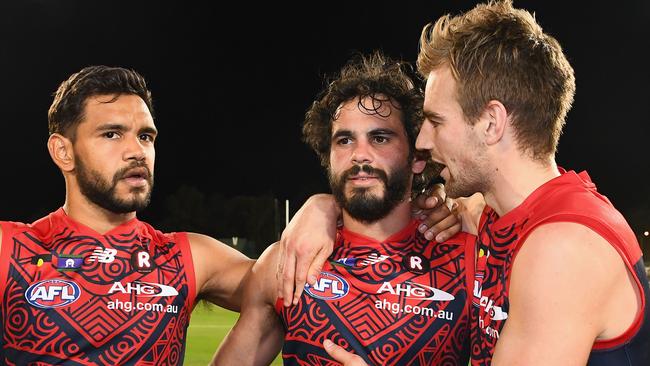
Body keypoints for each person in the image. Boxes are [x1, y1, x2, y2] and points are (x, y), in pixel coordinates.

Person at [0, 65, 460, 365]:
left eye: (145, 136)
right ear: (62, 150)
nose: (135, 151)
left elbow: (275, 283)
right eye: (111, 134)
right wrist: (320, 207)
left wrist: (326, 208)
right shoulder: (10, 248)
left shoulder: (186, 258)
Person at [292, 1, 650, 365]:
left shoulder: (563, 247)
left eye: (436, 121)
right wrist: (325, 205)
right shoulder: (497, 216)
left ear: (491, 123)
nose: (423, 141)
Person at [213, 52, 475, 365]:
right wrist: (320, 203)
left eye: (379, 138)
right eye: (344, 140)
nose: (359, 155)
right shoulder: (289, 263)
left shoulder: (466, 258)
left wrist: (468, 203)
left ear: (417, 157)